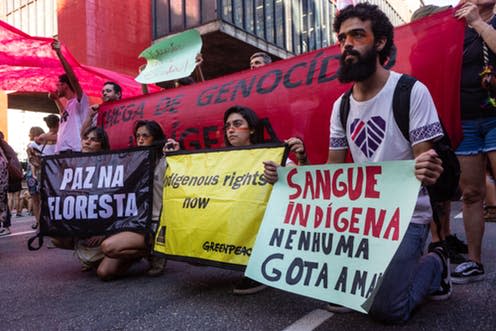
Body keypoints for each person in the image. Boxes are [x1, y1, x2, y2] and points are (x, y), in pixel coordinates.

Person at [265, 3, 448, 323]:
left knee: (387, 310)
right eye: (341, 38)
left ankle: (435, 264)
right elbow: (336, 176)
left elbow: (424, 162)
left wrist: (428, 168)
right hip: (360, 221)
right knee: (351, 292)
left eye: (357, 35)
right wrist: (290, 177)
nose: (346, 44)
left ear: (379, 43)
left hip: (406, 219)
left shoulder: (410, 91)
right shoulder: (342, 107)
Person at [410, 4, 469, 265]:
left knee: (445, 183)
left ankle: (444, 234)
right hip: (426, 123)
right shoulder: (417, 50)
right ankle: (437, 240)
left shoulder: (442, 46)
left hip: (442, 120)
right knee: (433, 184)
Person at [97, 120, 179, 280]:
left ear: (155, 139)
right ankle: (143, 252)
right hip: (134, 222)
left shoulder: (165, 161)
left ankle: (157, 252)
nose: (140, 140)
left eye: (145, 136)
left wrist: (175, 155)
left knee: (108, 246)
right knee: (104, 272)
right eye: (138, 136)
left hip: (155, 223)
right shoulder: (131, 163)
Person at [451, 0, 496, 284]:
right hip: (464, 120)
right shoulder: (451, 27)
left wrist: (478, 22)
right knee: (470, 194)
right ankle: (474, 261)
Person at [51, 126, 110, 271]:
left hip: (106, 225)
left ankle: (113, 252)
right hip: (85, 224)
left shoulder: (110, 166)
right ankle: (85, 249)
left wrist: (105, 232)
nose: (88, 142)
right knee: (57, 237)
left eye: (94, 139)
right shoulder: (73, 165)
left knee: (105, 272)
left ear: (102, 145)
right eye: (86, 138)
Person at [50, 40, 90, 153]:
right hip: (62, 152)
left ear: (65, 85)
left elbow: (73, 79)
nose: (56, 88)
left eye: (58, 85)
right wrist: (56, 100)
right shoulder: (69, 104)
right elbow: (65, 116)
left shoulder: (81, 100)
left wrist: (60, 54)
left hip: (73, 151)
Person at [25, 126, 45, 229]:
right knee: (42, 199)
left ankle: (37, 221)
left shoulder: (30, 145)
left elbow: (31, 161)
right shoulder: (46, 145)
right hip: (42, 173)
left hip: (31, 175)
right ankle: (43, 222)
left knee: (35, 200)